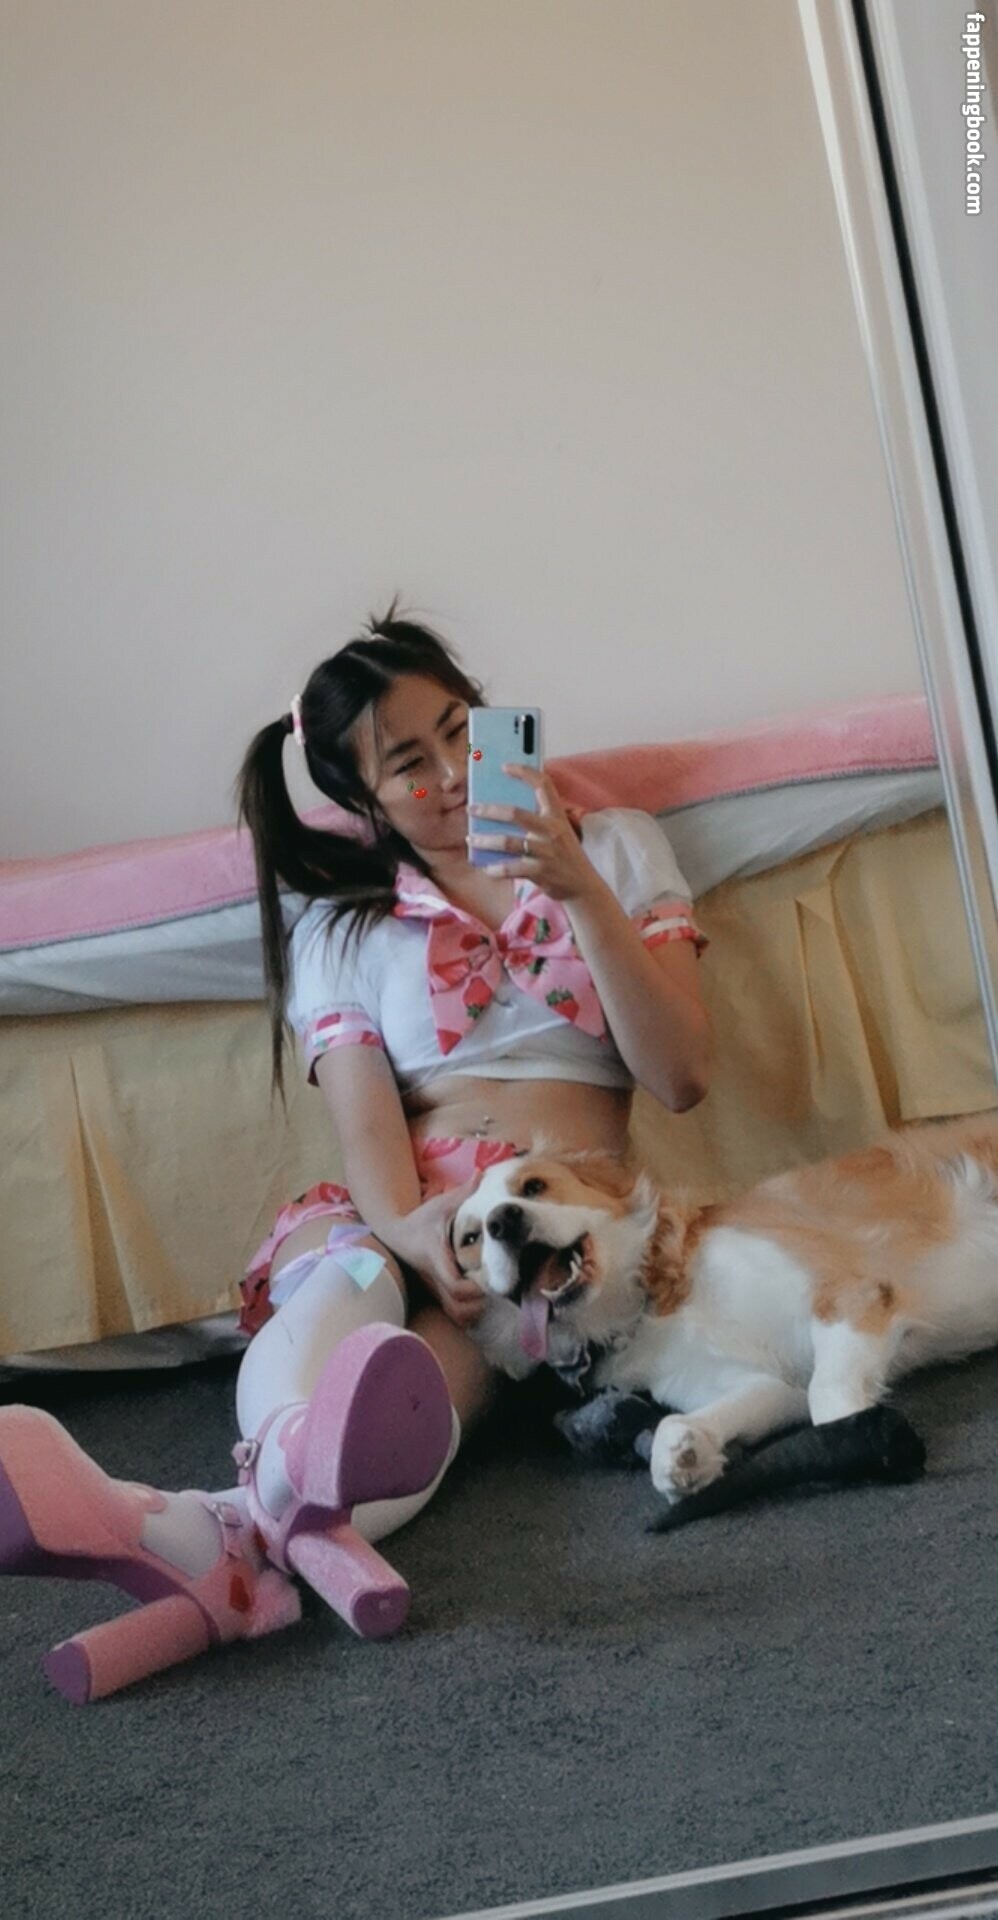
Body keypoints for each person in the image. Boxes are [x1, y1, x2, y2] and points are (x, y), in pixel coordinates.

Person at [0, 601, 711, 1703]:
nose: (453, 774)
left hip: (544, 1215)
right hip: (403, 1209)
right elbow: (371, 1136)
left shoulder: (612, 846)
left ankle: (189, 1535)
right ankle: (241, 1537)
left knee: (428, 1381)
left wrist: (574, 885)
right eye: (408, 765)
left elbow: (678, 1075)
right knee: (351, 1287)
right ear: (363, 801)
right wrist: (412, 1233)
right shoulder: (344, 928)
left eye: (460, 731)